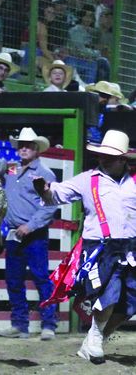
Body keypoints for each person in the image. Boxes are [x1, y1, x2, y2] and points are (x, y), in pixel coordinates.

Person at [33, 129, 136, 364]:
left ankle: (94, 340)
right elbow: (56, 194)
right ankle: (96, 340)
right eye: (102, 155)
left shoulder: (134, 183)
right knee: (109, 293)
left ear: (122, 160)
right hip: (100, 248)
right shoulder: (87, 180)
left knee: (129, 303)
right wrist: (45, 190)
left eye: (109, 156)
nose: (103, 159)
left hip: (131, 249)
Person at [0, 126, 58, 340]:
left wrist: (30, 225)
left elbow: (50, 205)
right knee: (13, 279)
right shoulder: (12, 169)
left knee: (40, 278)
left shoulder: (44, 174)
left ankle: (49, 325)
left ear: (37, 150)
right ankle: (20, 325)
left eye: (28, 146)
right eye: (21, 145)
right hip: (15, 234)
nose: (24, 148)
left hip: (33, 234)